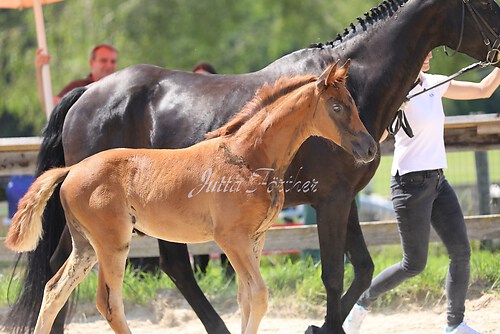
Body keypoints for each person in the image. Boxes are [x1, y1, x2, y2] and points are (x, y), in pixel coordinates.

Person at [343, 51, 500, 334]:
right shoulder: (395, 93)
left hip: (438, 181)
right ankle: (362, 303)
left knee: (461, 252)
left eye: (429, 52)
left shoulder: (437, 83)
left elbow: (483, 89)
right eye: (422, 52)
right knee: (413, 264)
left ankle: (454, 325)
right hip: (409, 186)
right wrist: (394, 107)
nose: (427, 56)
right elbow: (375, 138)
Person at [190, 62, 235, 279]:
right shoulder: (187, 111)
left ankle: (229, 273)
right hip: (200, 174)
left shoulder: (223, 109)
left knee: (229, 221)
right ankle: (200, 272)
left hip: (223, 175)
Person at [35, 44, 118, 109]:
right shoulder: (79, 87)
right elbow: (50, 105)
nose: (109, 65)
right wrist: (40, 71)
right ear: (92, 63)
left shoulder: (119, 89)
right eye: (103, 60)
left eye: (113, 61)